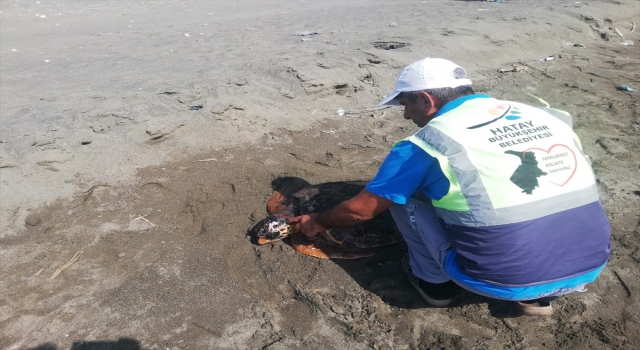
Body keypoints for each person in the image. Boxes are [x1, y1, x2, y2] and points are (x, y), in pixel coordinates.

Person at [288, 57, 611, 316]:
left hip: (498, 277)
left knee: (401, 195)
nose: (405, 115)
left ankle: (434, 285)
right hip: (590, 265)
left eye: (406, 104)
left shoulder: (429, 141)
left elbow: (360, 211)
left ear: (426, 99)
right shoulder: (547, 116)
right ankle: (542, 296)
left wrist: (317, 222)